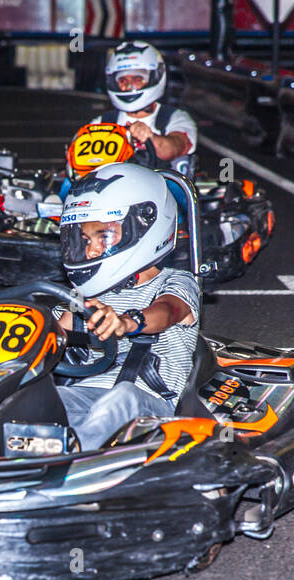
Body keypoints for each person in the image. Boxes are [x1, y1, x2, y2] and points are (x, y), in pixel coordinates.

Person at [54, 163, 201, 450]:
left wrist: (127, 322)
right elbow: (53, 333)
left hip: (148, 404)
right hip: (86, 394)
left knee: (122, 396)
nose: (92, 250)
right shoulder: (83, 297)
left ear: (145, 227)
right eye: (85, 239)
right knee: (42, 397)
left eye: (103, 236)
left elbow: (168, 311)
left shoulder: (175, 283)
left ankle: (73, 464)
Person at [92, 41, 198, 179]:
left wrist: (151, 138)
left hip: (164, 194)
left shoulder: (175, 118)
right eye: (123, 80)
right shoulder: (101, 124)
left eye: (137, 79)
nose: (129, 85)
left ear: (156, 76)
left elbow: (175, 147)